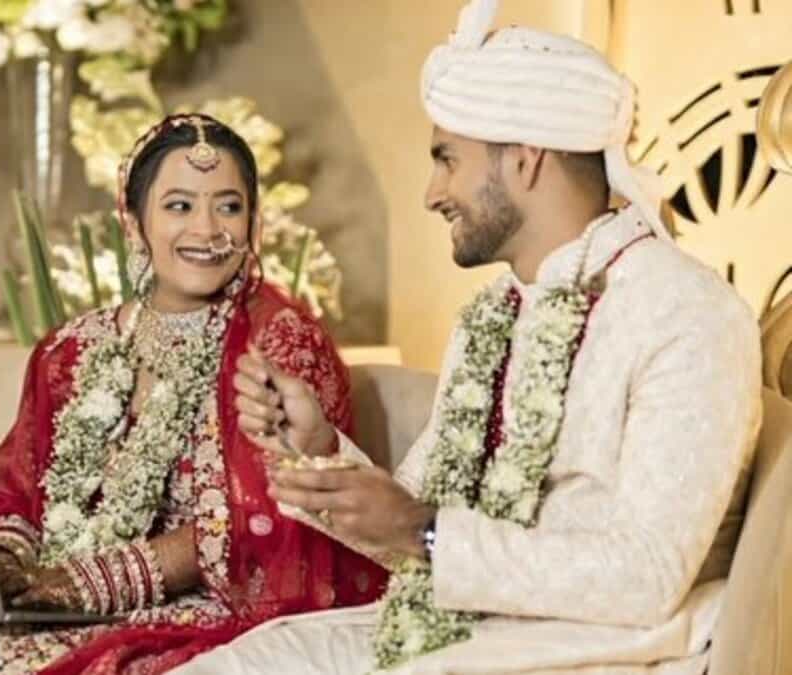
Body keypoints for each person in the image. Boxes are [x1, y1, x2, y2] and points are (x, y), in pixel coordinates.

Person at [174, 1, 762, 673]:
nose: (432, 193)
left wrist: (422, 530)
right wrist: (319, 450)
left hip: (584, 652)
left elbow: (648, 574)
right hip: (459, 632)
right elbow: (417, 523)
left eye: (447, 159)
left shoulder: (685, 311)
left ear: (526, 159)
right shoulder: (492, 315)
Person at [0, 114, 385, 675]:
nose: (207, 229)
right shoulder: (74, 348)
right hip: (52, 590)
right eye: (179, 205)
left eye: (229, 206)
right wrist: (5, 564)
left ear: (253, 221)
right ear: (133, 221)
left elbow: (269, 517)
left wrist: (84, 585)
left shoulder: (279, 343)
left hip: (196, 607)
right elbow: (18, 481)